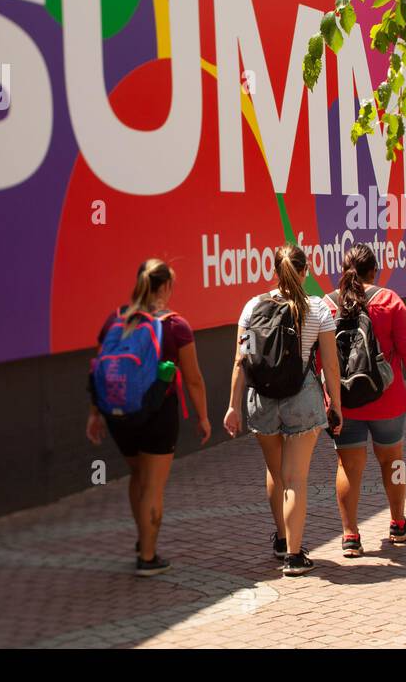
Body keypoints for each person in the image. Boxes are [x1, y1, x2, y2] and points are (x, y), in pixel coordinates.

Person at [222, 244, 343, 576]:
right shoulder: (317, 310)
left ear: (274, 271)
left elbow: (240, 359)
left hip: (260, 400)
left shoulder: (251, 307)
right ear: (305, 272)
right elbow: (330, 365)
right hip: (301, 399)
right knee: (296, 479)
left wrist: (233, 406)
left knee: (276, 473)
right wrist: (337, 405)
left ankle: (280, 540)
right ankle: (294, 555)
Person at [86, 259, 211, 577]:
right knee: (153, 485)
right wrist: (203, 417)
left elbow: (101, 368)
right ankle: (148, 556)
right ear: (166, 287)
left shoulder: (116, 318)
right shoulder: (175, 325)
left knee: (138, 476)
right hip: (157, 412)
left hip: (118, 414)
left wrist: (95, 413)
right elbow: (193, 378)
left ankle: (144, 537)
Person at [323, 244, 406, 556]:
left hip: (344, 401)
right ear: (374, 271)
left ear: (343, 271)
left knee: (348, 465)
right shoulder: (389, 300)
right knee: (394, 460)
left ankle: (351, 535)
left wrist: (328, 399)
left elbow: (319, 359)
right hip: (388, 397)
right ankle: (397, 522)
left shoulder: (326, 305)